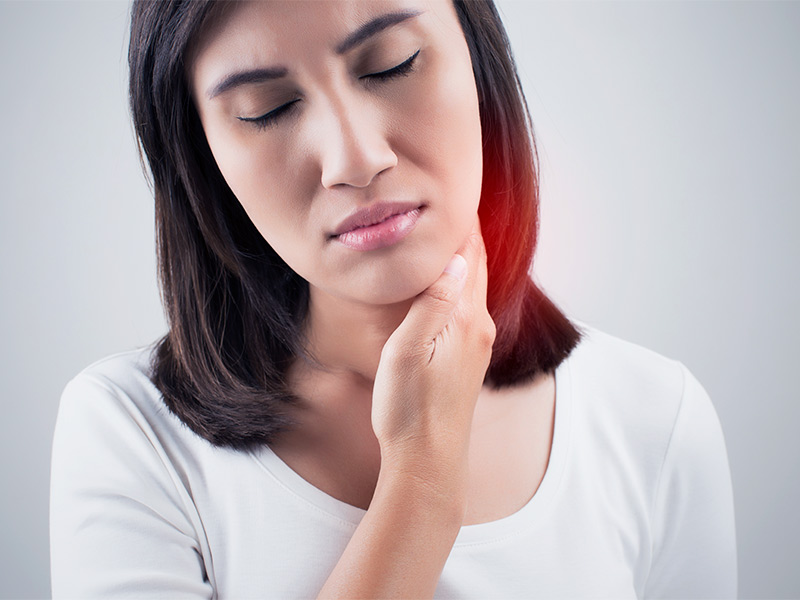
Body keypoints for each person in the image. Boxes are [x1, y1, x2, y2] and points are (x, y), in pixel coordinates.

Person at [50, 0, 737, 597]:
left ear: (478, 59)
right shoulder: (132, 434)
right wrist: (422, 482)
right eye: (268, 110)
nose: (354, 159)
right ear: (201, 156)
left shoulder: (655, 419)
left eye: (392, 65)